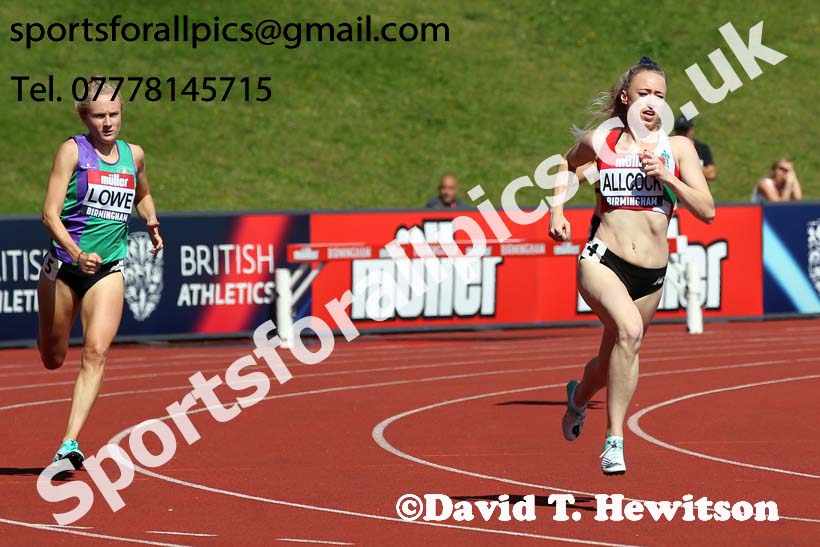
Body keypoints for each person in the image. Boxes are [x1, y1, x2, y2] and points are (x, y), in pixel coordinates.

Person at [549, 58, 715, 475]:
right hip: (602, 260)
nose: (653, 102)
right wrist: (556, 209)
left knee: (609, 364)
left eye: (660, 95)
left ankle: (577, 399)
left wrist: (669, 178)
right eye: (644, 93)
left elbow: (708, 210)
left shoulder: (678, 149)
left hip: (650, 277)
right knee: (630, 331)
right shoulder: (603, 144)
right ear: (626, 98)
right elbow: (566, 165)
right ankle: (615, 441)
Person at [38, 79, 163, 469]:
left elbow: (141, 193)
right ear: (85, 117)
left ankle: (69, 443)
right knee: (53, 357)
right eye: (99, 116)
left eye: (114, 114)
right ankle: (49, 339)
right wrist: (77, 253)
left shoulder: (134, 155)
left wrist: (151, 219)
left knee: (96, 351)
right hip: (63, 268)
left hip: (107, 270)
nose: (108, 123)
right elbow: (49, 214)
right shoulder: (72, 152)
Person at [673, 115, 716, 182]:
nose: (682, 133)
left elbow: (712, 174)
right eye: (679, 130)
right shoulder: (671, 148)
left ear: (692, 130)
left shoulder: (702, 148)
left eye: (685, 130)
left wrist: (687, 167)